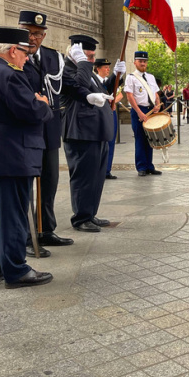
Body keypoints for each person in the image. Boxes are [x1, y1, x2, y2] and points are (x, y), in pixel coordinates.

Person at [0, 26, 54, 288]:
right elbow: (31, 112)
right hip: (15, 152)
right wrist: (43, 103)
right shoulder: (9, 75)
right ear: (13, 50)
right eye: (25, 52)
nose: (28, 58)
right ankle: (16, 270)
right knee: (14, 215)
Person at [18, 10, 70, 257]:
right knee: (26, 184)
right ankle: (27, 236)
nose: (33, 38)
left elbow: (69, 84)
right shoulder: (11, 53)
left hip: (49, 128)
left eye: (37, 34)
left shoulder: (53, 57)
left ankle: (46, 229)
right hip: (26, 129)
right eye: (28, 32)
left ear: (44, 35)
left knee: (49, 181)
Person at [61, 35, 124, 233]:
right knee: (83, 178)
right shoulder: (67, 69)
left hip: (96, 132)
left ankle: (90, 214)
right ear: (74, 53)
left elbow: (101, 89)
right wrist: (81, 63)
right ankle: (80, 218)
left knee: (96, 177)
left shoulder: (86, 70)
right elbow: (79, 86)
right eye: (87, 56)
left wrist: (115, 75)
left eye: (92, 57)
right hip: (80, 132)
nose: (90, 61)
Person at [124, 51, 163, 177]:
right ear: (135, 62)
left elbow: (156, 93)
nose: (143, 63)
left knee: (150, 139)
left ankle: (149, 166)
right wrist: (139, 112)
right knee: (140, 139)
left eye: (145, 61)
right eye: (140, 61)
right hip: (139, 110)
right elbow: (130, 96)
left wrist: (157, 104)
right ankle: (141, 166)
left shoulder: (151, 77)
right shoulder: (131, 77)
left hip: (150, 110)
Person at [94, 58, 124, 180]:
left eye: (108, 67)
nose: (108, 69)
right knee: (99, 141)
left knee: (111, 140)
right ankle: (97, 169)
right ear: (98, 68)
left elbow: (120, 94)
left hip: (111, 112)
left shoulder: (113, 81)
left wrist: (113, 101)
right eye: (105, 67)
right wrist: (108, 100)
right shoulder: (94, 80)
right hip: (99, 114)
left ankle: (107, 170)